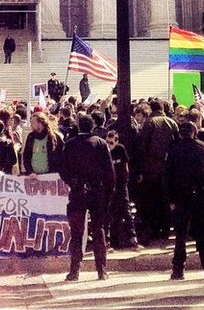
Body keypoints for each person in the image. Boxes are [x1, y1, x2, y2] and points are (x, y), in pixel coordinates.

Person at [60, 112, 115, 281]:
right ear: (92, 127)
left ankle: (75, 270)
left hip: (77, 192)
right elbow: (110, 172)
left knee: (77, 232)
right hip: (97, 191)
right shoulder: (101, 143)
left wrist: (71, 181)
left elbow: (62, 169)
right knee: (99, 230)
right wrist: (108, 193)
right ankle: (102, 270)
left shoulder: (70, 144)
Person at [165, 120, 204, 280]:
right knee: (203, 234)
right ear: (195, 132)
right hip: (200, 195)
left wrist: (170, 199)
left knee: (180, 235)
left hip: (181, 196)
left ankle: (178, 270)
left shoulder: (173, 151)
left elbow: (167, 177)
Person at [137, 99, 179, 243]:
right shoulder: (172, 122)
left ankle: (155, 229)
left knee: (153, 200)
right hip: (169, 167)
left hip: (151, 168)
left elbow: (143, 147)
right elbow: (177, 143)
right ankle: (166, 229)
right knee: (166, 199)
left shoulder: (149, 123)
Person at [105, 127, 139, 249]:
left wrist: (124, 182)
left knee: (126, 210)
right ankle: (109, 241)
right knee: (109, 213)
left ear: (116, 142)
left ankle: (133, 239)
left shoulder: (120, 149)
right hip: (109, 186)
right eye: (107, 142)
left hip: (121, 184)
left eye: (111, 143)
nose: (109, 145)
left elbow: (125, 167)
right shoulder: (104, 151)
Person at [22, 110, 63, 174]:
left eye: (33, 123)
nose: (31, 125)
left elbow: (61, 157)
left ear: (40, 123)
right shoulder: (31, 137)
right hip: (34, 176)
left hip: (50, 176)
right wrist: (30, 172)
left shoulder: (54, 137)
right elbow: (26, 156)